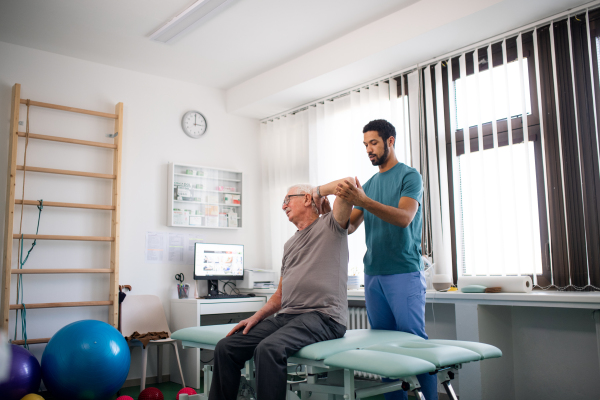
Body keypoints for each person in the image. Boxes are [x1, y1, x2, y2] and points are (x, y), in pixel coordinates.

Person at [312, 119, 437, 400]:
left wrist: (363, 200)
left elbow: (404, 218)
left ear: (390, 141)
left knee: (415, 346)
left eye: (374, 143)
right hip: (374, 275)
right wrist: (330, 210)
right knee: (383, 349)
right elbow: (350, 226)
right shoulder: (368, 184)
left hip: (404, 272)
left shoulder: (409, 176)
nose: (369, 149)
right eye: (365, 144)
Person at [208, 182, 355, 400]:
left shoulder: (331, 226)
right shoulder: (290, 244)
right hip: (287, 317)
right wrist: (255, 318)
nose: (283, 205)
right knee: (226, 347)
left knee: (269, 349)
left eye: (287, 199)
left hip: (324, 317)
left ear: (307, 199)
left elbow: (347, 186)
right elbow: (279, 295)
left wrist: (316, 192)